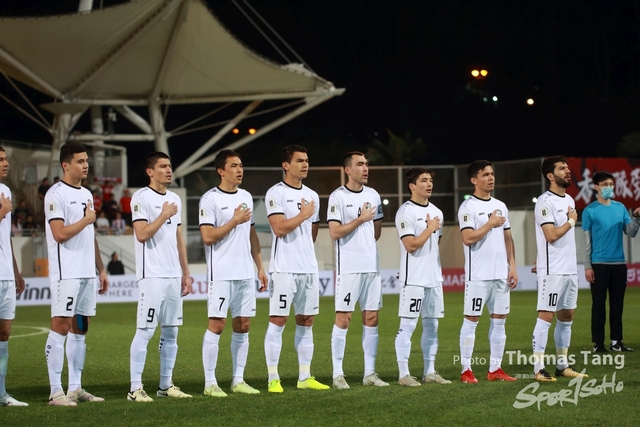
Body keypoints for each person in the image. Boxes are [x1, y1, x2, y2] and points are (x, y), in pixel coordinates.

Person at [44, 142, 109, 406]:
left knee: (80, 328)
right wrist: (86, 220)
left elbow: (89, 235)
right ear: (65, 165)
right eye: (80, 161)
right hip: (66, 273)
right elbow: (59, 234)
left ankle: (75, 388)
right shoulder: (55, 194)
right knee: (61, 326)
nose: (85, 165)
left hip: (86, 273)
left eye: (86, 161)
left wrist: (101, 269)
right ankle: (55, 391)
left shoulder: (86, 194)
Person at [199, 150, 268, 397]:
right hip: (221, 272)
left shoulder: (246, 196)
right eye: (234, 166)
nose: (240, 170)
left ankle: (238, 380)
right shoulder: (210, 199)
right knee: (217, 324)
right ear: (221, 171)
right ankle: (210, 383)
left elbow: (252, 234)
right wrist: (234, 220)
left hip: (245, 272)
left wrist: (260, 266)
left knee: (243, 324)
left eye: (241, 165)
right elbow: (208, 237)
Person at [128, 152, 193, 402]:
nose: (168, 170)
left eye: (169, 165)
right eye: (163, 166)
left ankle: (166, 385)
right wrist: (164, 214)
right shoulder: (141, 197)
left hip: (173, 275)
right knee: (145, 330)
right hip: (152, 275)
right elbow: (142, 234)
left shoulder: (174, 199)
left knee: (171, 332)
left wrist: (186, 273)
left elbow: (178, 238)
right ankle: (135, 388)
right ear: (150, 171)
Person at [263, 144, 329, 393]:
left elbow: (313, 231)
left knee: (306, 320)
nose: (305, 165)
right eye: (300, 160)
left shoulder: (312, 195)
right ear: (286, 165)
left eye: (307, 160)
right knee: (278, 320)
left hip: (308, 268)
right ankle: (273, 378)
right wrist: (303, 215)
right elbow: (279, 228)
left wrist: (305, 223)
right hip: (284, 269)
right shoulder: (275, 193)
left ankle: (304, 376)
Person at [327, 151, 388, 389]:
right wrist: (360, 220)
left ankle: (369, 373)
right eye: (360, 164)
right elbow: (335, 232)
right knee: (344, 319)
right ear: (348, 170)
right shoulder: (337, 197)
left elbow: (377, 231)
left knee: (371, 317)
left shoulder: (373, 195)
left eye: (366, 164)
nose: (365, 168)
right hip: (349, 267)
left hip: (371, 267)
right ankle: (337, 374)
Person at [457, 160, 517, 384]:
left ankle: (495, 369)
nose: (491, 178)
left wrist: (512, 267)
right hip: (478, 275)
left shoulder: (501, 205)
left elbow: (508, 238)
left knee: (499, 321)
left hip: (500, 274)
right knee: (471, 320)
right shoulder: (468, 207)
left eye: (492, 174)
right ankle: (466, 370)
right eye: (485, 175)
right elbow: (468, 238)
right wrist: (490, 223)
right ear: (474, 180)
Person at [531, 155, 588, 382]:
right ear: (550, 176)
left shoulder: (570, 199)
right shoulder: (545, 202)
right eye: (562, 168)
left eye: (567, 167)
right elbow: (551, 235)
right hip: (552, 270)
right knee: (546, 315)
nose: (567, 171)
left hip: (569, 268)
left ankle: (562, 366)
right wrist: (571, 221)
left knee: (567, 315)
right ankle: (538, 369)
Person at [394, 167, 451, 387]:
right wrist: (429, 228)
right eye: (424, 180)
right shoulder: (405, 212)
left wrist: (432, 229)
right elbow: (410, 245)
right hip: (414, 278)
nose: (429, 184)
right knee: (408, 326)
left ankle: (430, 372)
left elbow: (435, 244)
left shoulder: (437, 212)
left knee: (432, 326)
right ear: (412, 186)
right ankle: (404, 374)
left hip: (433, 278)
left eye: (430, 180)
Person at [582, 171, 639, 353]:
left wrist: (636, 218)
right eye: (605, 184)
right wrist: (587, 266)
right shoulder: (590, 210)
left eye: (611, 184)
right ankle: (598, 343)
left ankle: (616, 341)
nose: (609, 187)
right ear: (596, 187)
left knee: (617, 305)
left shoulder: (620, 208)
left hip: (619, 264)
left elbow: (630, 232)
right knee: (598, 305)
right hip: (598, 264)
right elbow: (586, 241)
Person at [0, 147, 28, 406]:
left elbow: (6, 237)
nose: (6, 163)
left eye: (6, 158)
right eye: (0, 160)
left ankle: (1, 393)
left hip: (6, 275)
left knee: (4, 332)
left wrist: (16, 271)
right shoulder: (5, 201)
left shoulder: (5, 191)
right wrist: (2, 211)